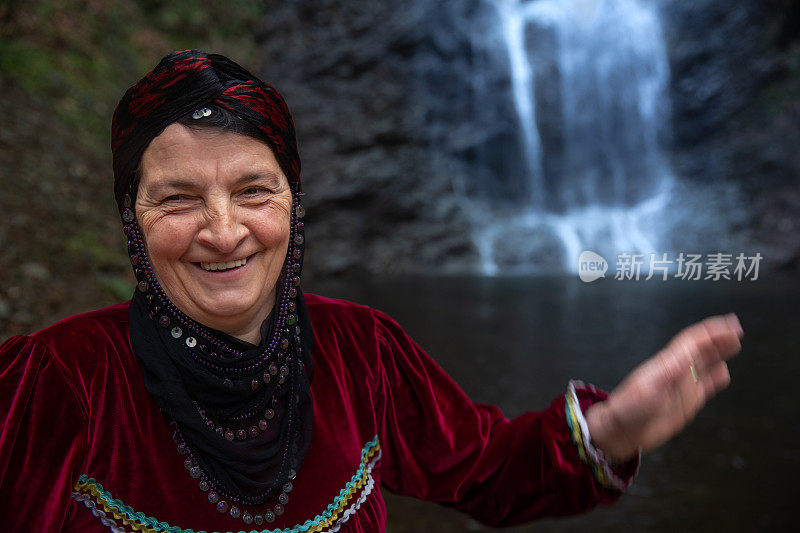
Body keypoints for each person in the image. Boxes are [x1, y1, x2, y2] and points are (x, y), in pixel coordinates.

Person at [0, 50, 743, 533]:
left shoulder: (363, 349)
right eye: (178, 199)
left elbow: (491, 469)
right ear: (131, 216)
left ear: (295, 200)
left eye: (254, 190)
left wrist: (613, 431)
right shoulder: (53, 379)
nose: (224, 232)